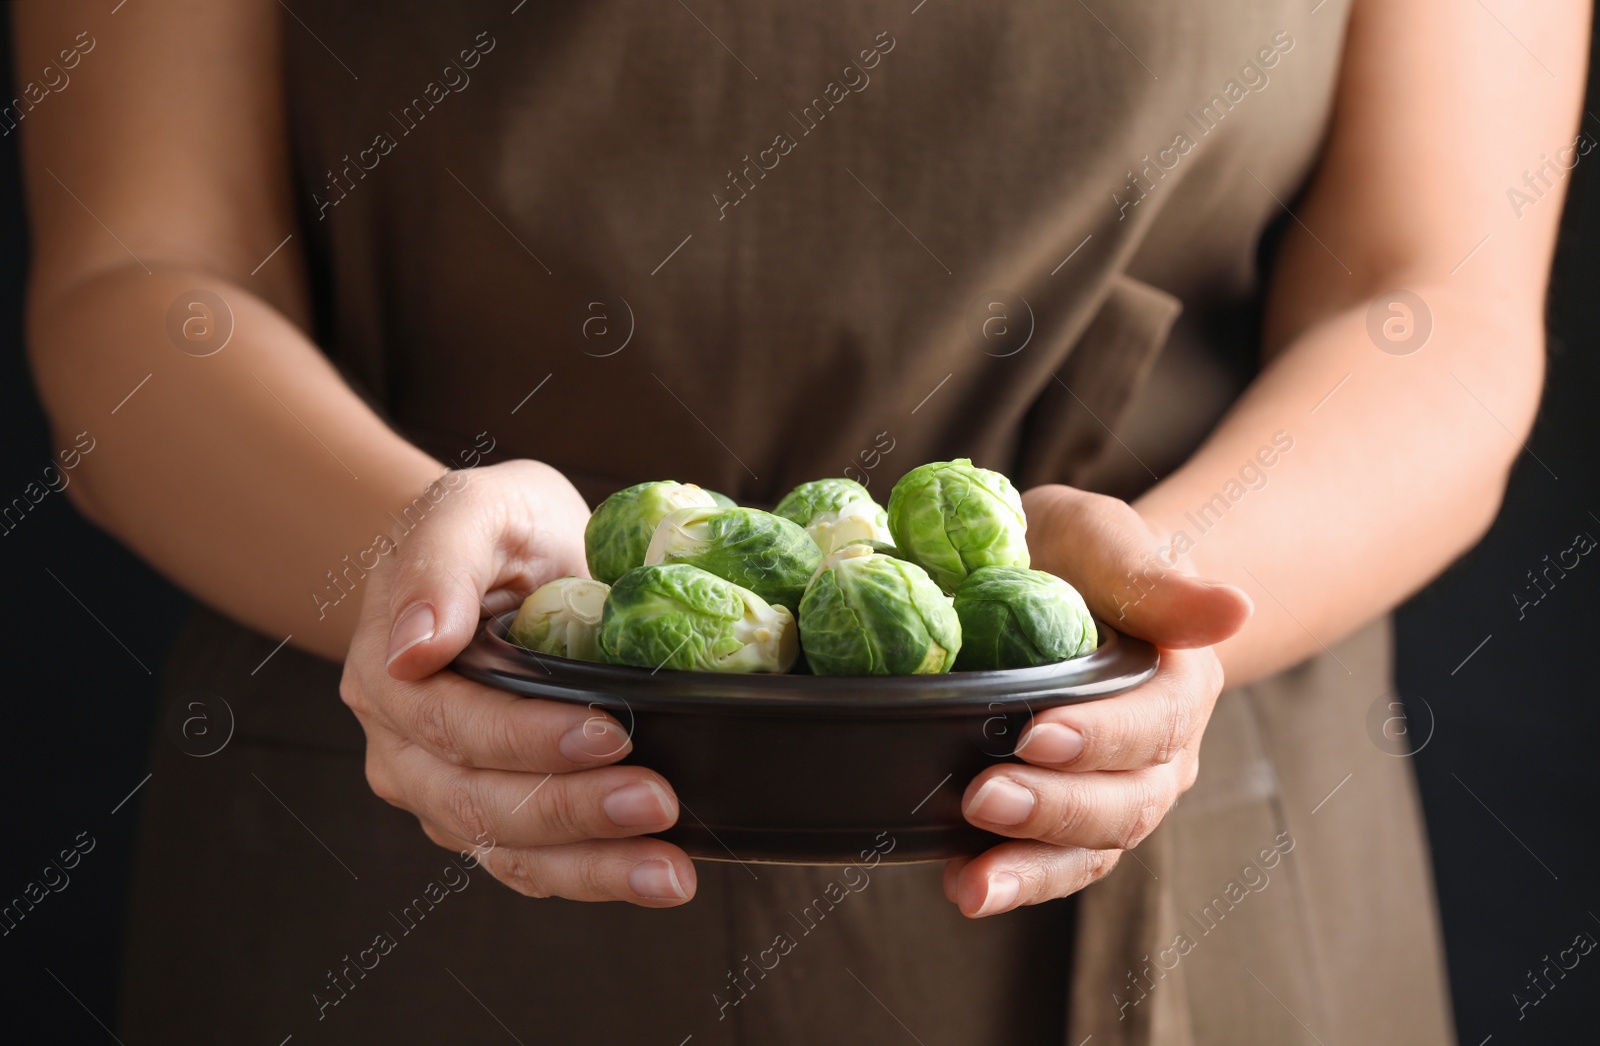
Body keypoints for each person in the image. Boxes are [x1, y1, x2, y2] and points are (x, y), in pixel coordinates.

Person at [14, 0, 1587, 1042]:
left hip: (1186, 847)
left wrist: (1155, 617)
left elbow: (1431, 300)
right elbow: (140, 279)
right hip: (413, 836)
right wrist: (405, 558)